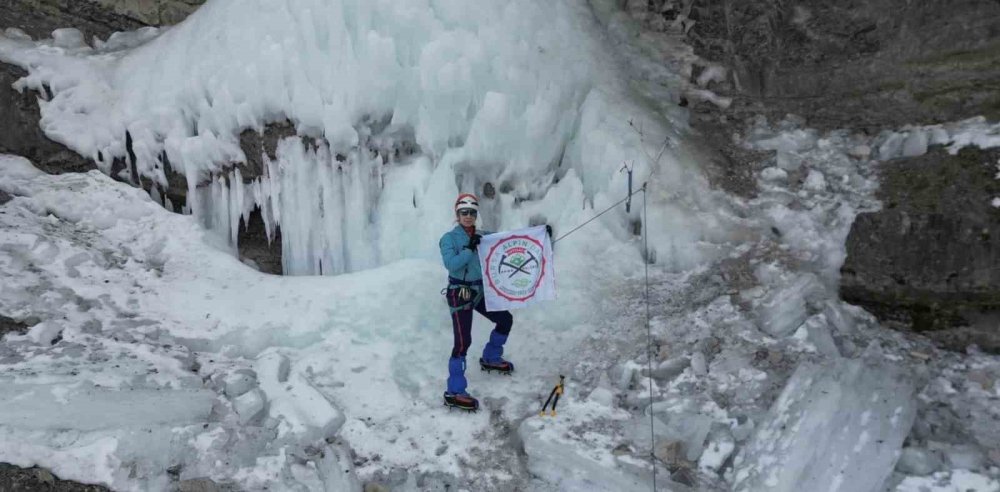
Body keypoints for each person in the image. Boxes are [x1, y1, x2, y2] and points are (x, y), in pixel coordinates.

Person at [439, 193, 514, 411]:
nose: (469, 216)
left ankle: (491, 356)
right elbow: (451, 264)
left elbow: (505, 241)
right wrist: (470, 248)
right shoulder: (449, 239)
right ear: (457, 214)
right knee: (463, 342)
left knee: (505, 319)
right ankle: (454, 391)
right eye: (464, 212)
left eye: (472, 212)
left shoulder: (483, 236)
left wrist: (539, 236)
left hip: (480, 291)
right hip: (459, 293)